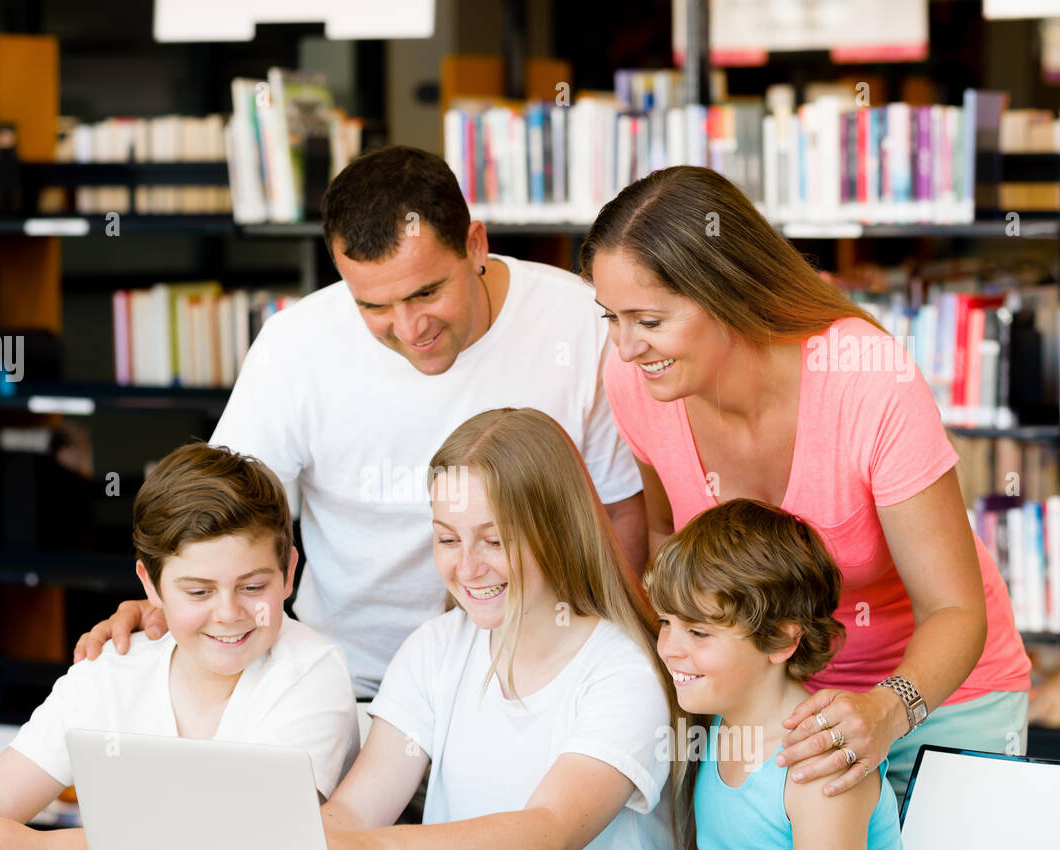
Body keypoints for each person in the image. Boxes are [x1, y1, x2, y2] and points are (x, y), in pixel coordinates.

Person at [74, 146, 645, 702]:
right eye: (373, 306)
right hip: (344, 682)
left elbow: (618, 509)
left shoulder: (580, 322)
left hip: (529, 679)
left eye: (427, 292)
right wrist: (164, 603)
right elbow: (218, 511)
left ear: (475, 245)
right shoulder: (297, 344)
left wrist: (610, 655)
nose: (409, 327)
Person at [581, 165, 1032, 805]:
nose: (626, 348)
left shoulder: (864, 380)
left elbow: (955, 611)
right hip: (767, 705)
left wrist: (882, 711)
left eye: (648, 321)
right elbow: (666, 535)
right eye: (611, 318)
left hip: (939, 698)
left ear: (725, 294)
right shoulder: (638, 384)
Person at [0, 443, 358, 850]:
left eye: (253, 588)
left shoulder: (310, 673)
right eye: (198, 592)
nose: (229, 613)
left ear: (290, 571)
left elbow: (253, 844)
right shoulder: (114, 669)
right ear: (150, 584)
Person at [320, 408, 700, 850]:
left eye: (495, 540)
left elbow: (545, 838)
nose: (468, 566)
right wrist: (306, 847)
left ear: (558, 531)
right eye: (448, 539)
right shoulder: (435, 648)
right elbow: (354, 811)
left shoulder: (624, 671)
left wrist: (380, 849)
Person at [645, 499, 904, 850]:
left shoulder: (818, 761)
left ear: (782, 640)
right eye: (665, 623)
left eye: (697, 631)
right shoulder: (715, 725)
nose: (670, 649)